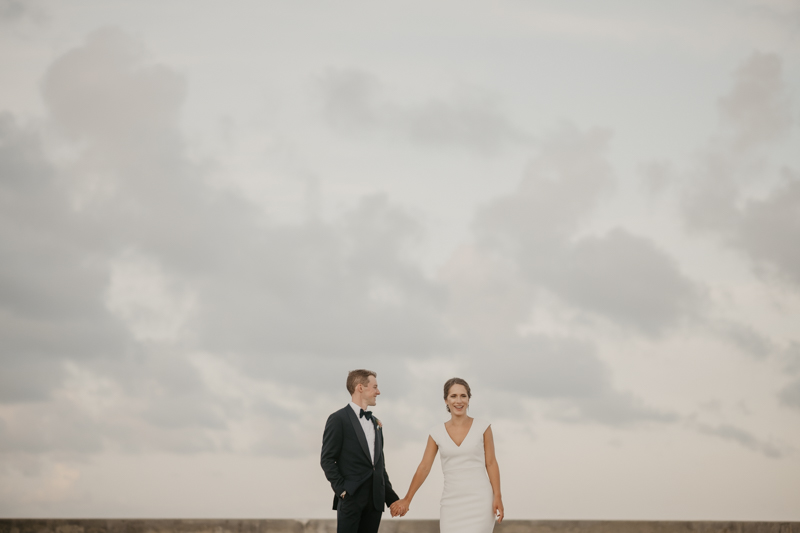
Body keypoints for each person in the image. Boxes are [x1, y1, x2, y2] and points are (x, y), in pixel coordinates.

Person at [389, 377, 504, 532]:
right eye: (453, 396)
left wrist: (498, 496)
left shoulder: (483, 427)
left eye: (463, 396)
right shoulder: (436, 433)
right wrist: (407, 499)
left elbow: (491, 463)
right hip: (451, 503)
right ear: (446, 400)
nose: (459, 401)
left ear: (469, 399)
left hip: (481, 500)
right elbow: (424, 467)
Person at [321, 369, 401, 533]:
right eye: (375, 387)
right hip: (351, 498)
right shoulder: (338, 419)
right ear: (360, 388)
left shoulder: (375, 423)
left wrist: (392, 500)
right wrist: (342, 491)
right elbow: (327, 459)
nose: (378, 392)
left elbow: (379, 466)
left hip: (375, 503)